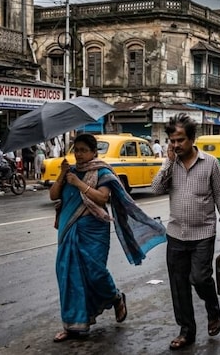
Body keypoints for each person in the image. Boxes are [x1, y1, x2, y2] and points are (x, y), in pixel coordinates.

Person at [49, 133, 166, 342]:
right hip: (69, 229)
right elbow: (53, 195)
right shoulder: (70, 171)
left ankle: (115, 298)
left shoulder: (102, 172)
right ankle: (72, 325)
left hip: (94, 230)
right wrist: (62, 175)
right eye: (76, 150)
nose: (79, 154)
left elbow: (103, 197)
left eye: (84, 150)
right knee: (69, 276)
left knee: (96, 273)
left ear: (94, 152)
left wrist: (78, 183)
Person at [148, 113, 220, 350]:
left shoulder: (210, 163)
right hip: (176, 234)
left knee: (199, 278)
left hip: (203, 234)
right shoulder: (171, 165)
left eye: (180, 140)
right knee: (179, 285)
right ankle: (187, 330)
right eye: (172, 141)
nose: (176, 145)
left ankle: (212, 307)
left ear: (192, 139)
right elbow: (155, 189)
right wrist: (167, 162)